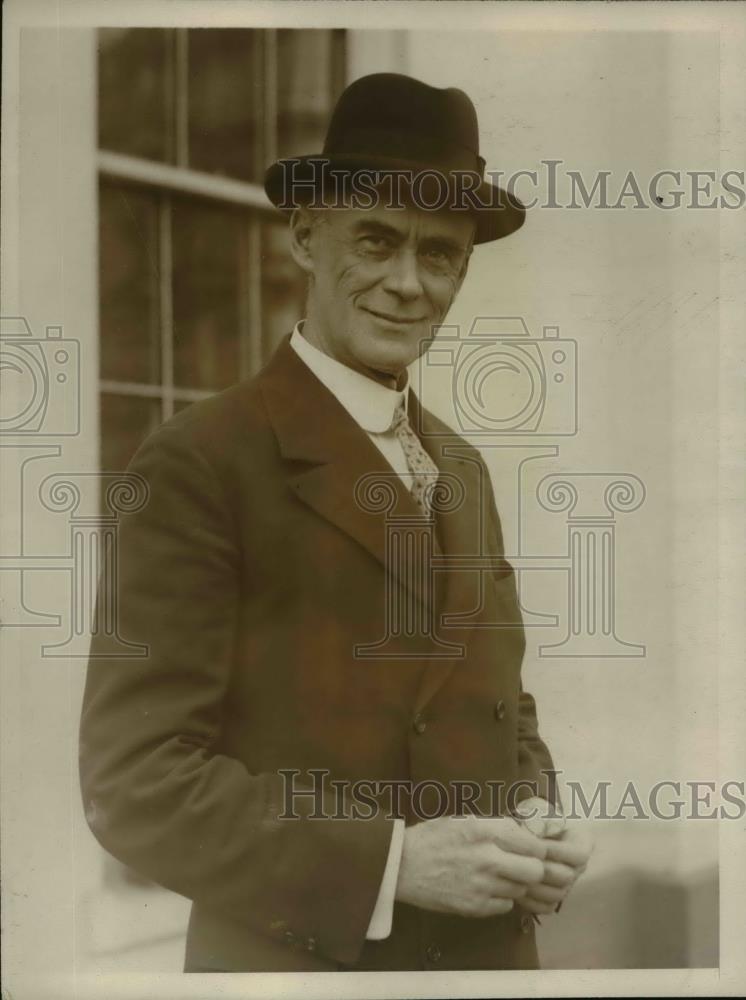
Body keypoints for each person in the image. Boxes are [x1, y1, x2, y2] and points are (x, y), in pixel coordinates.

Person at [79, 72, 592, 973]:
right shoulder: (201, 461)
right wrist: (392, 865)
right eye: (376, 240)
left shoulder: (462, 468)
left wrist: (534, 818)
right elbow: (137, 783)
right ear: (305, 236)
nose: (406, 283)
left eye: (439, 255)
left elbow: (501, 708)